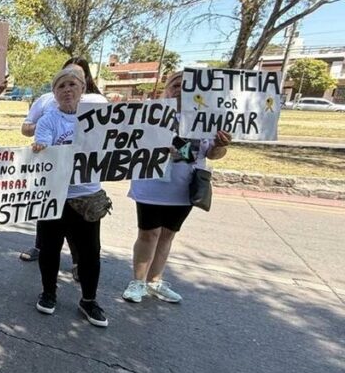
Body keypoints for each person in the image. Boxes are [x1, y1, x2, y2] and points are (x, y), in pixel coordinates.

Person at [123, 71, 231, 303]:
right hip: (152, 184)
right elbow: (132, 143)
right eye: (175, 85)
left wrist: (221, 144)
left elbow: (213, 154)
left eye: (186, 86)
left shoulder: (206, 117)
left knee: (168, 235)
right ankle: (138, 282)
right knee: (148, 233)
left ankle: (155, 282)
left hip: (185, 186)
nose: (180, 89)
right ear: (167, 89)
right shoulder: (151, 113)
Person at [32, 67, 109, 328]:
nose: (67, 90)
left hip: (87, 196)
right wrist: (41, 149)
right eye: (61, 86)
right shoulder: (48, 121)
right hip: (54, 195)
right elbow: (43, 147)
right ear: (54, 92)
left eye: (72, 85)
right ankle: (48, 292)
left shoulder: (97, 118)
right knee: (49, 249)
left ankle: (89, 300)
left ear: (83, 89)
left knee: (90, 253)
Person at [19, 57, 105, 264]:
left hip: (86, 189)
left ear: (84, 84)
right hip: (54, 188)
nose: (68, 88)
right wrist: (42, 144)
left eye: (75, 81)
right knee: (50, 242)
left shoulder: (98, 106)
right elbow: (29, 131)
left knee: (87, 247)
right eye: (63, 83)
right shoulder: (46, 107)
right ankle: (40, 249)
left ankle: (78, 265)